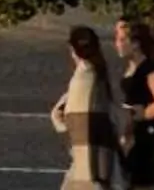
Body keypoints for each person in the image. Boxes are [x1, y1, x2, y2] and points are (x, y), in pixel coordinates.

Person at [50, 23, 121, 188]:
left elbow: (69, 123)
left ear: (72, 49)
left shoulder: (82, 79)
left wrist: (58, 114)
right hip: (101, 161)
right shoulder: (98, 75)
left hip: (85, 167)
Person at [115, 17, 154, 187]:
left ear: (135, 44)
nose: (117, 44)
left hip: (147, 138)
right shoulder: (134, 67)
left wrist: (141, 114)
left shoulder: (147, 69)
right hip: (135, 134)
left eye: (121, 40)